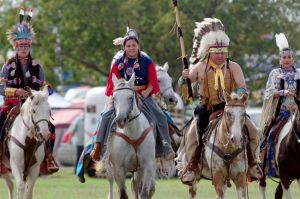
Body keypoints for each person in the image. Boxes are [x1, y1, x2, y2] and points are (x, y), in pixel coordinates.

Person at [178, 18, 262, 185]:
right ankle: (193, 164)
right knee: (194, 133)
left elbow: (243, 87)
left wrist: (237, 96)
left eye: (223, 52)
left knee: (253, 131)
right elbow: (186, 89)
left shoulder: (234, 67)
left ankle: (253, 163)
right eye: (217, 52)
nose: (220, 55)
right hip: (207, 108)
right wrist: (184, 78)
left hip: (231, 107)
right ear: (209, 52)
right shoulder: (200, 66)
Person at [90, 28, 175, 162]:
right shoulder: (118, 62)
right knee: (106, 115)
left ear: (138, 46)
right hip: (122, 95)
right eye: (128, 46)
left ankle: (165, 147)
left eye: (134, 45)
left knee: (160, 116)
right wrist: (118, 93)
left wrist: (147, 92)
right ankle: (98, 147)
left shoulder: (146, 60)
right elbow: (112, 81)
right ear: (124, 47)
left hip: (143, 94)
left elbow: (153, 80)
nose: (131, 48)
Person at [0, 6, 58, 174]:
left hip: (34, 104)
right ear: (15, 47)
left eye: (26, 46)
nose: (23, 49)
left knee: (50, 127)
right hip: (11, 104)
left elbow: (43, 86)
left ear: (30, 46)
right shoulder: (8, 65)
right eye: (20, 46)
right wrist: (15, 92)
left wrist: (46, 89)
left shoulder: (37, 66)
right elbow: (1, 88)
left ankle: (48, 157)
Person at [260, 33, 300, 177]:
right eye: (284, 57)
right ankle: (266, 165)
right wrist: (283, 92)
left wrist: (297, 105)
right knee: (270, 135)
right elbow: (269, 93)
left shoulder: (299, 74)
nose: (287, 60)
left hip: (297, 113)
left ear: (293, 59)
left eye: (289, 57)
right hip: (280, 113)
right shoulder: (275, 73)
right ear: (280, 59)